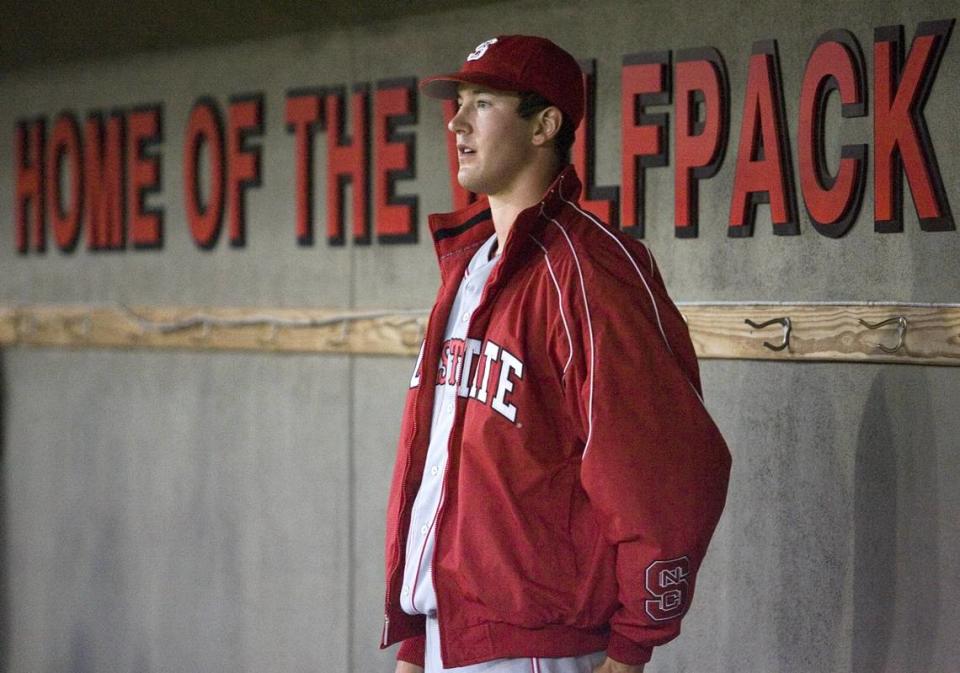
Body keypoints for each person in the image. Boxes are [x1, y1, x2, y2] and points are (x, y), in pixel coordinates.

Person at [381, 35, 731, 673]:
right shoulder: (469, 266)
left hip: (540, 646)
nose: (456, 123)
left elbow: (665, 468)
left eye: (482, 103)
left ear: (545, 125)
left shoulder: (590, 270)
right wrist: (415, 636)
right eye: (457, 103)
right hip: (449, 637)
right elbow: (444, 472)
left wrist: (629, 652)